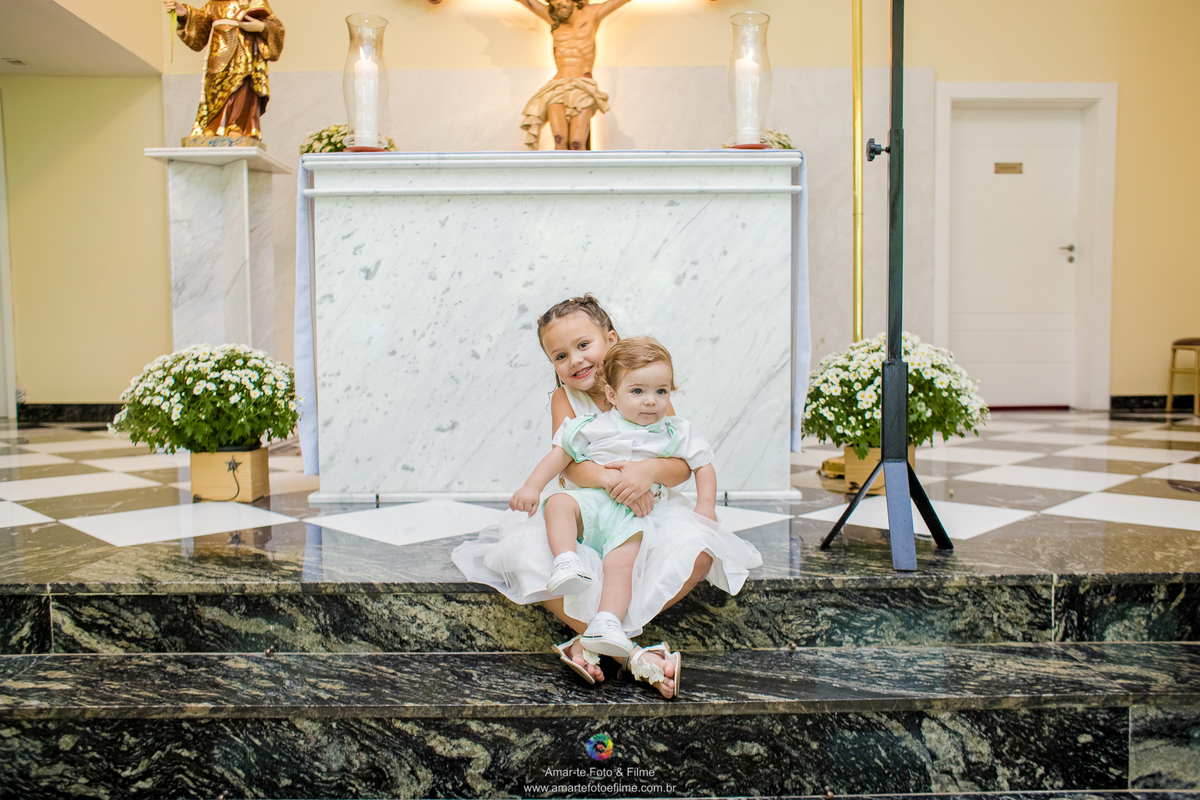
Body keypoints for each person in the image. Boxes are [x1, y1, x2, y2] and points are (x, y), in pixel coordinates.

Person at [453, 329, 762, 699]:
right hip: (593, 505)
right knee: (557, 506)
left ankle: (601, 631)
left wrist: (703, 505)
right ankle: (572, 568)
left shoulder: (670, 425)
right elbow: (561, 458)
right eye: (560, 355)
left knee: (624, 564)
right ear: (613, 395)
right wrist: (532, 487)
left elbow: (697, 464)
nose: (651, 400)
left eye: (661, 392)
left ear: (610, 339)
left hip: (637, 517)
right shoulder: (591, 422)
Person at [510, 0, 631, 150]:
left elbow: (616, 2)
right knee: (559, 139)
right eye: (554, 0)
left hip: (582, 86)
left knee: (577, 142)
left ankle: (583, 165)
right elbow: (528, 2)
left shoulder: (592, 14)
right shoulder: (552, 17)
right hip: (557, 86)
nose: (558, 3)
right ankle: (559, 166)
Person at [163, 0, 285, 141]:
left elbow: (276, 27)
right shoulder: (216, 3)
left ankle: (237, 127)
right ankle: (212, 128)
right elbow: (200, 24)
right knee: (214, 93)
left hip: (245, 59)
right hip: (219, 57)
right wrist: (184, 13)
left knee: (241, 91)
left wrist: (262, 27)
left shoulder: (255, 1)